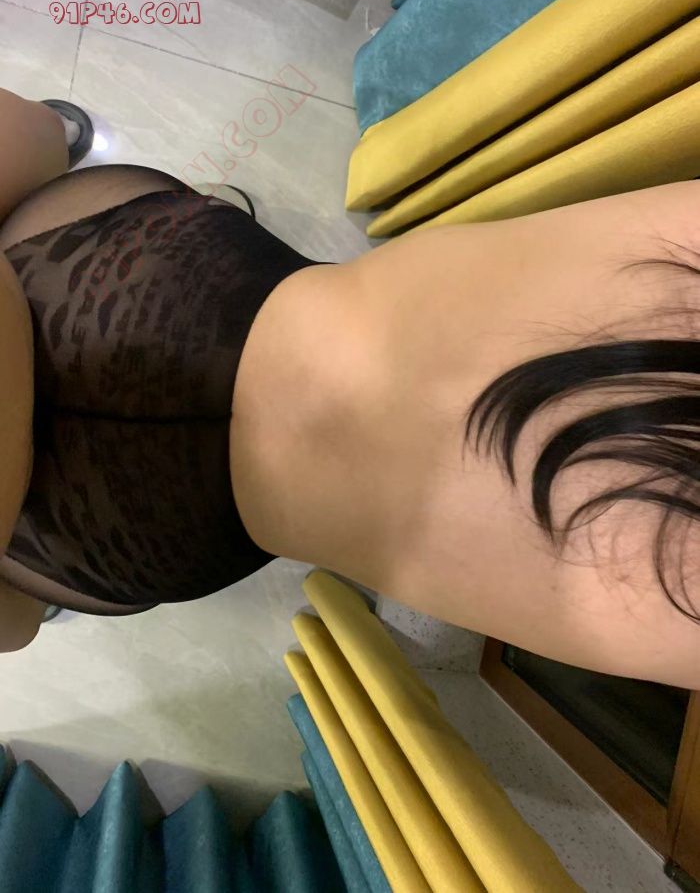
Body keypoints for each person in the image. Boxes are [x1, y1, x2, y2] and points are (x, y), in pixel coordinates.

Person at [0, 88, 699, 691]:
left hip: (121, 522)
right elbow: (23, 139)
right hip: (126, 293)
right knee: (32, 138)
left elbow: (14, 630)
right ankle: (71, 133)